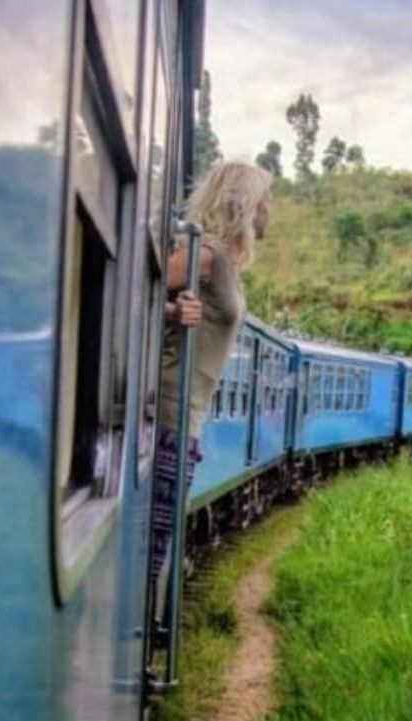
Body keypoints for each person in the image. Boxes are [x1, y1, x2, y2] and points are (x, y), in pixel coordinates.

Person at [149, 162, 272, 612]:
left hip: (187, 412)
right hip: (170, 408)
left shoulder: (221, 262)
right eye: (265, 201)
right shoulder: (208, 255)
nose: (269, 212)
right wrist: (170, 312)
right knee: (155, 538)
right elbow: (137, 283)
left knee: (160, 534)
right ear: (244, 204)